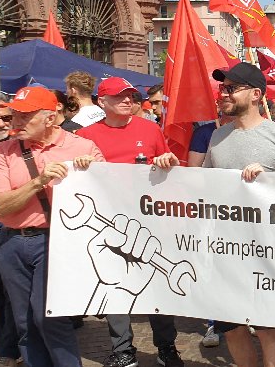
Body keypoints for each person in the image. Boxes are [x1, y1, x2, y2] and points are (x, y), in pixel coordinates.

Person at [0, 87, 105, 367]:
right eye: (14, 114)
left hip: (58, 242)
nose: (15, 121)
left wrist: (94, 173)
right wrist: (38, 182)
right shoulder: (5, 150)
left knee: (49, 317)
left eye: (24, 116)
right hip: (13, 242)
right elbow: (0, 206)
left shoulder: (82, 147)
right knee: (24, 321)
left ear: (50, 118)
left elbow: (109, 195)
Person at [203, 63, 275, 367]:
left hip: (267, 250)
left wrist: (271, 180)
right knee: (232, 328)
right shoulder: (217, 136)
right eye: (223, 88)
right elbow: (206, 185)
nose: (223, 93)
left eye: (231, 88)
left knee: (267, 329)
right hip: (225, 249)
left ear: (255, 94)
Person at [75, 77, 182, 367]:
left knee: (157, 286)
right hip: (108, 222)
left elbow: (166, 165)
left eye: (131, 96)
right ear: (101, 101)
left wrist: (166, 160)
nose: (127, 101)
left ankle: (167, 347)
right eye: (119, 96)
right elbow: (77, 178)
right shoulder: (85, 136)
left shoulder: (150, 129)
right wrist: (80, 165)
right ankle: (123, 350)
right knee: (114, 284)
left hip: (149, 219)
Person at [0, 92, 19, 367]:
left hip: (15, 232)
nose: (0, 123)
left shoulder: (21, 147)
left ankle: (9, 350)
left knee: (16, 296)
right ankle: (8, 346)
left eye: (5, 118)